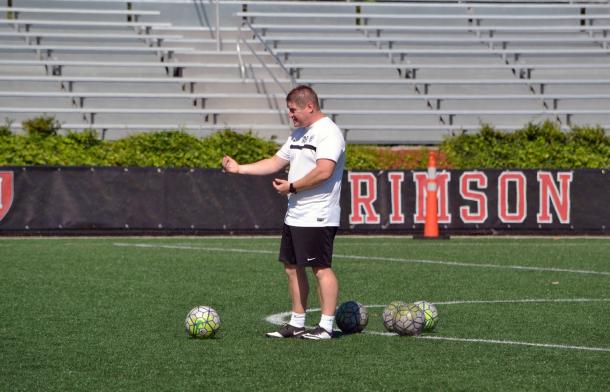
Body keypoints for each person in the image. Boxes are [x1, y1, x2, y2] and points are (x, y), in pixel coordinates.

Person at [222, 85, 345, 340]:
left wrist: (293, 186)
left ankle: (325, 326)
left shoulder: (328, 133)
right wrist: (239, 169)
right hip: (296, 214)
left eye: (293, 110)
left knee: (320, 268)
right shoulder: (299, 133)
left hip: (318, 213)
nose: (290, 115)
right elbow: (275, 162)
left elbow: (324, 171)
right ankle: (297, 323)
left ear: (309, 106)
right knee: (291, 267)